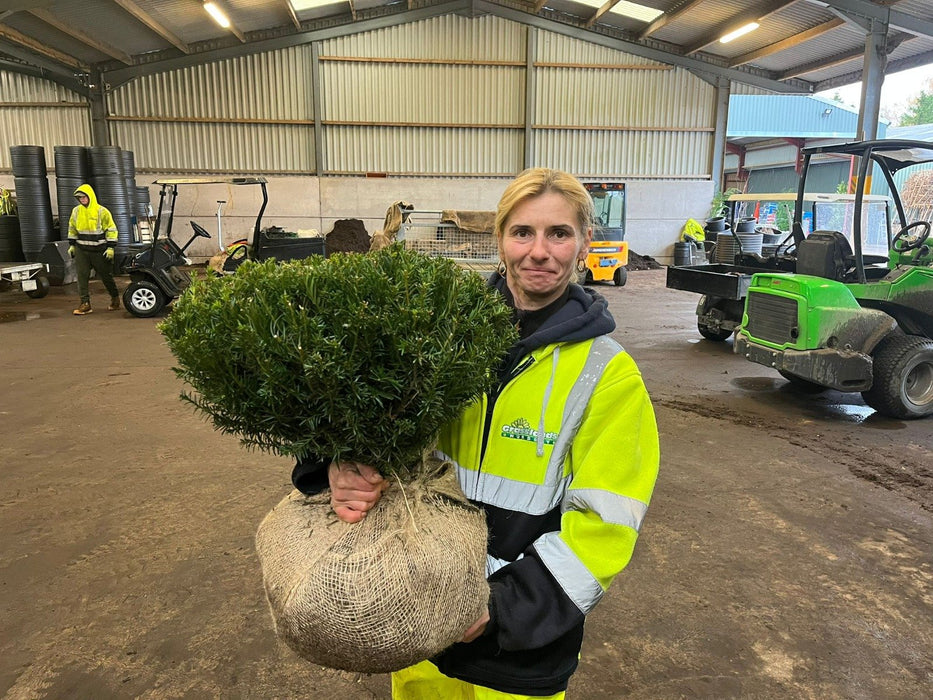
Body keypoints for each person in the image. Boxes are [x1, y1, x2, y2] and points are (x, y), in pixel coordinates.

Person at [291, 167, 660, 698]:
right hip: (417, 620)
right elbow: (355, 413)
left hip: (517, 653)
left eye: (559, 233)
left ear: (583, 246)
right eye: (522, 232)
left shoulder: (608, 374)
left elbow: (604, 526)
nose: (539, 251)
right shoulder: (433, 332)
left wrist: (498, 609)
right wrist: (334, 466)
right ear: (500, 239)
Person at [68, 183, 121, 315]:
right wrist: (72, 245)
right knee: (82, 276)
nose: (82, 200)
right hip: (82, 249)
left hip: (99, 250)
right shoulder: (76, 211)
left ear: (90, 196)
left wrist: (110, 248)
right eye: (80, 198)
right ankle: (85, 303)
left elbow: (111, 229)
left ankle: (115, 298)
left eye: (84, 197)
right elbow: (72, 228)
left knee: (106, 276)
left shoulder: (102, 211)